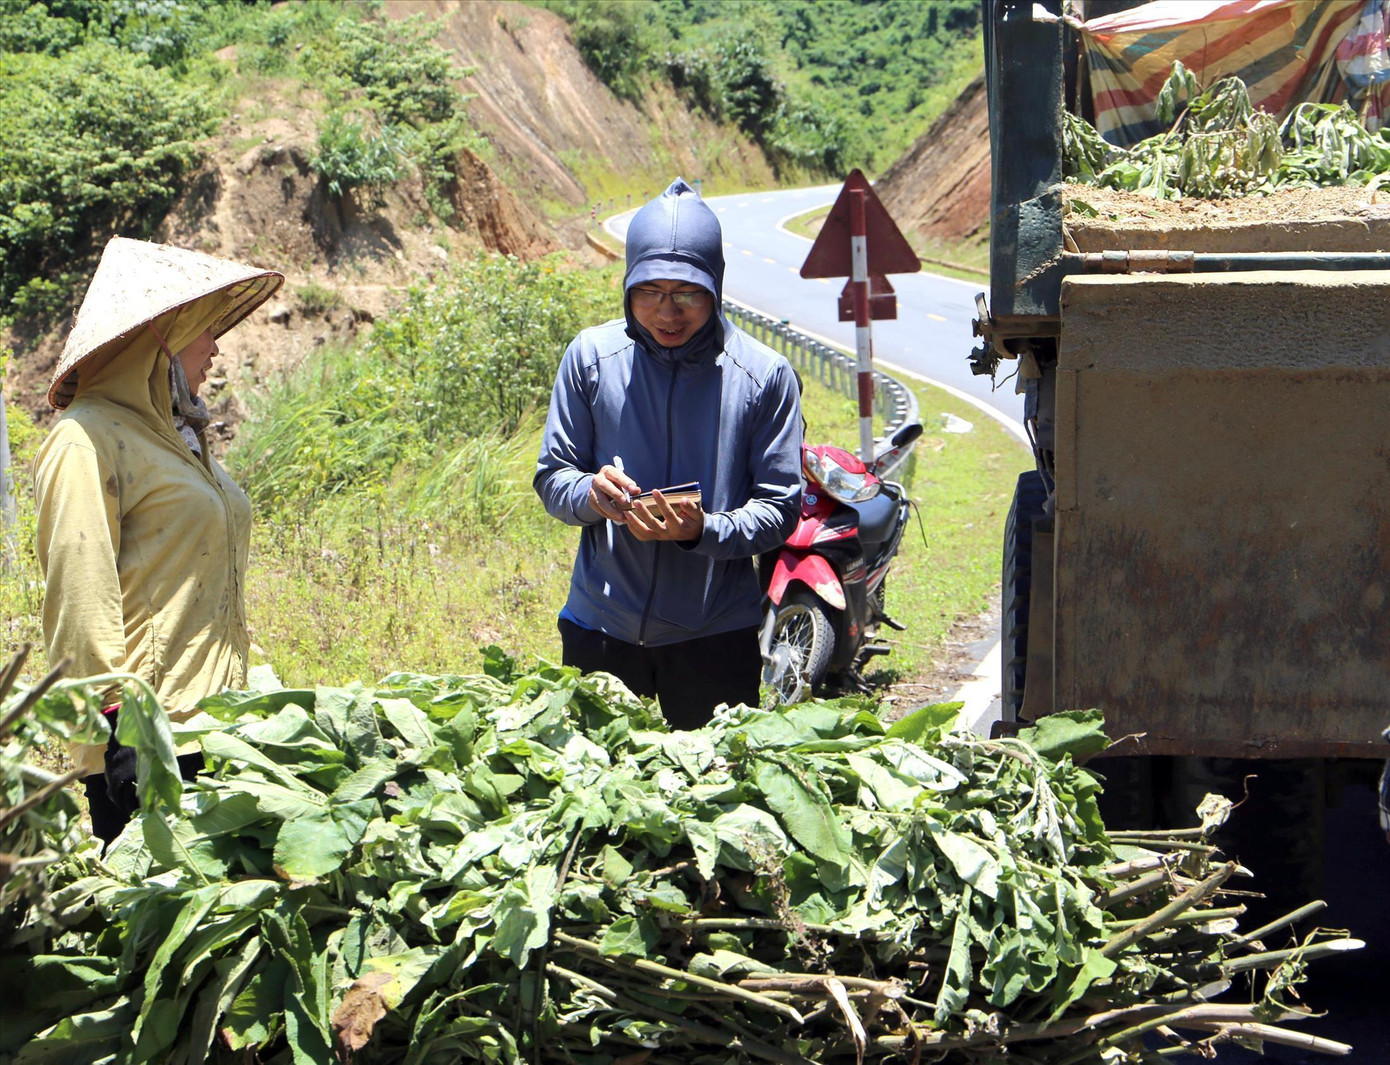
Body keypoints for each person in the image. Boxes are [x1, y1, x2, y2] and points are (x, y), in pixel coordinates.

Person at [34, 237, 283, 846]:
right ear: (161, 340)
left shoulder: (176, 437)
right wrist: (119, 724)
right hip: (152, 740)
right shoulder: (84, 439)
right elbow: (80, 594)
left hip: (218, 728)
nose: (217, 347)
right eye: (205, 329)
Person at [534, 178, 803, 728]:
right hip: (599, 626)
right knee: (594, 798)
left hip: (714, 635)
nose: (667, 312)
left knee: (709, 797)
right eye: (649, 292)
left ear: (716, 289)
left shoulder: (764, 377)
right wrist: (590, 493)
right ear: (627, 287)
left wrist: (700, 530)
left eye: (688, 294)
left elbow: (780, 509)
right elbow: (552, 475)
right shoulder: (591, 358)